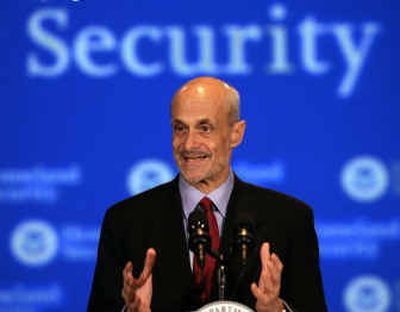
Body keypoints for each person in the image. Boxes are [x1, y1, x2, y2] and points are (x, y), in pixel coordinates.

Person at [87, 77, 327, 312]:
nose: (189, 144)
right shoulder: (125, 221)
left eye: (204, 128)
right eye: (180, 128)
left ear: (236, 133)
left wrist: (276, 310)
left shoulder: (290, 220)